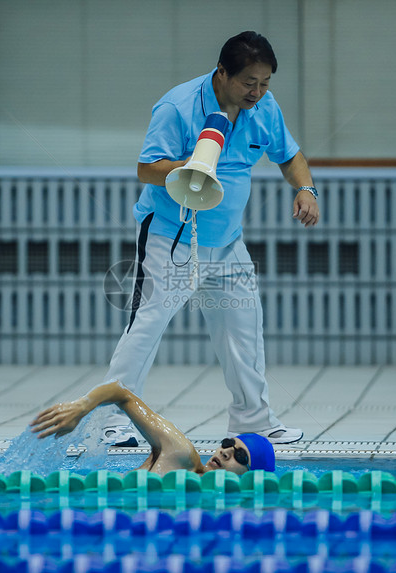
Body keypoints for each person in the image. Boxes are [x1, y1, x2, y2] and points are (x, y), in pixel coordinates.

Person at [102, 31, 319, 447]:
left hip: (228, 241)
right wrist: (193, 165)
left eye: (265, 82)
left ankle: (253, 421)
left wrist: (306, 189)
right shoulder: (178, 107)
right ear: (222, 73)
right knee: (147, 325)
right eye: (248, 82)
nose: (257, 91)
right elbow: (146, 168)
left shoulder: (263, 107)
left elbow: (289, 155)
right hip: (172, 235)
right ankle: (112, 419)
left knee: (243, 327)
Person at [30, 380, 275, 476]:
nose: (225, 452)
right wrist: (82, 407)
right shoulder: (180, 455)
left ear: (253, 477)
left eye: (240, 455)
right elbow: (121, 393)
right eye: (228, 443)